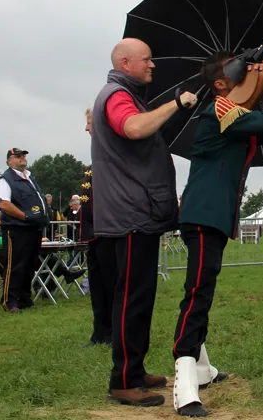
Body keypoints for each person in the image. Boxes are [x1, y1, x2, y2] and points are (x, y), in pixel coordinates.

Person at [172, 43, 263, 417]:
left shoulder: (231, 111)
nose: (249, 71)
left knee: (204, 289)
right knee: (197, 294)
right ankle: (184, 382)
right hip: (203, 217)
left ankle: (202, 368)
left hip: (210, 217)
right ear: (220, 84)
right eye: (240, 70)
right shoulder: (220, 111)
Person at [91, 38, 198, 407]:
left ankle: (134, 371)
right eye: (147, 60)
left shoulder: (125, 93)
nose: (153, 65)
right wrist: (176, 102)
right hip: (130, 214)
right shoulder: (117, 95)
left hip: (136, 213)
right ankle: (123, 379)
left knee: (140, 295)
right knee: (132, 298)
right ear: (125, 62)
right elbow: (134, 129)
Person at [0, 148, 49, 313]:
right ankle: (9, 301)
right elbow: (4, 203)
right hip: (16, 228)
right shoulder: (6, 180)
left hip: (33, 228)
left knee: (29, 264)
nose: (22, 159)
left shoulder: (30, 177)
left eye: (23, 156)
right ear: (9, 161)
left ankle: (25, 298)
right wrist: (24, 216)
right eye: (17, 157)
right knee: (15, 265)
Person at [81, 106, 116, 347]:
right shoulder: (97, 155)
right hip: (93, 234)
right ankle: (100, 332)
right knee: (97, 285)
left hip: (110, 232)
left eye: (90, 123)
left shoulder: (113, 154)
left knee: (113, 285)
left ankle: (115, 333)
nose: (86, 128)